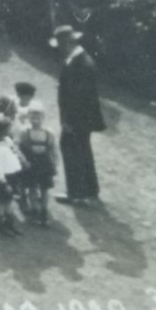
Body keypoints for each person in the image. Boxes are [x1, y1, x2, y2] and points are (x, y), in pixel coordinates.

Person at [54, 26, 105, 204]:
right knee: (82, 151)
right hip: (83, 119)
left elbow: (78, 98)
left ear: (68, 42)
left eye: (60, 44)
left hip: (77, 119)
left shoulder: (81, 64)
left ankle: (76, 193)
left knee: (72, 150)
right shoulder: (77, 59)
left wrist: (68, 121)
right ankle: (90, 189)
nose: (59, 48)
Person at [18, 105, 58, 227]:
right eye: (32, 117)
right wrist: (23, 162)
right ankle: (35, 210)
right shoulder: (24, 132)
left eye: (38, 117)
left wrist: (55, 164)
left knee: (44, 189)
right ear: (28, 118)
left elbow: (53, 150)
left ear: (43, 118)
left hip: (44, 164)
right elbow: (20, 149)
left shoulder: (48, 132)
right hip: (30, 164)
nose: (35, 120)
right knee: (32, 188)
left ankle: (44, 211)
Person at [0, 118, 25, 236]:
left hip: (12, 176)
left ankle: (9, 224)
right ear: (3, 131)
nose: (12, 130)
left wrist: (23, 160)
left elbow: (15, 151)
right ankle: (0, 225)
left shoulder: (8, 140)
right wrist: (4, 183)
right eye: (10, 128)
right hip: (3, 178)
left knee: (9, 200)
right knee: (2, 201)